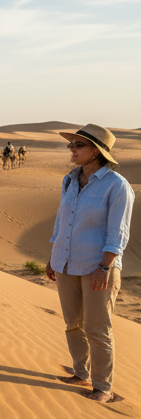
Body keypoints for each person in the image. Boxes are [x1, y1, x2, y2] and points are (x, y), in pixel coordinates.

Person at [45, 125, 133, 403]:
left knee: (97, 328)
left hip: (98, 266)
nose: (72, 149)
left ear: (96, 150)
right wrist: (53, 256)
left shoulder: (117, 185)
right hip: (66, 262)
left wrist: (105, 267)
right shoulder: (70, 180)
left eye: (78, 145)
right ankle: (80, 372)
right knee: (73, 323)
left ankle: (103, 386)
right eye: (71, 145)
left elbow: (118, 231)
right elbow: (62, 220)